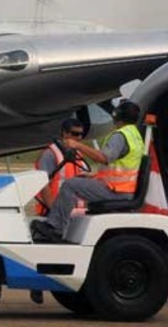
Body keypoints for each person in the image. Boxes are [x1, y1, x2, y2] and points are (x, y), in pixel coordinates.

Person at [32, 101, 143, 243]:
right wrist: (95, 176)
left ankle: (55, 228)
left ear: (116, 115)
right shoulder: (135, 135)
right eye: (74, 134)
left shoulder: (120, 136)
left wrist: (77, 145)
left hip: (116, 191)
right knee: (78, 183)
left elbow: (104, 158)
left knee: (70, 185)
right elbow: (123, 167)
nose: (78, 137)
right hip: (124, 189)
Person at [29, 118, 90, 301]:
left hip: (73, 216)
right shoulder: (51, 154)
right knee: (45, 256)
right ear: (64, 133)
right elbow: (43, 183)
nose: (77, 137)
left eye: (80, 134)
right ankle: (35, 285)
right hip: (52, 214)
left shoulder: (78, 156)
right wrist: (54, 211)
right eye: (73, 134)